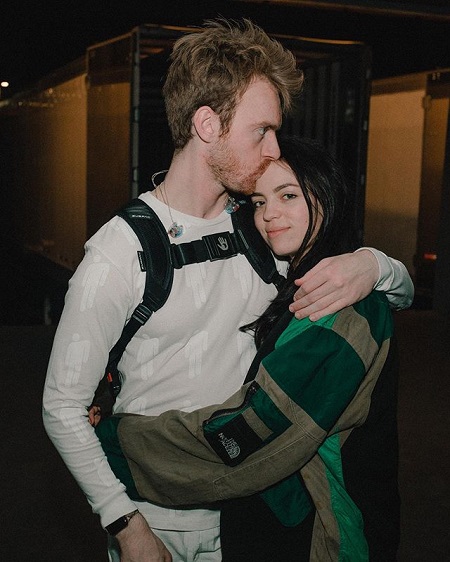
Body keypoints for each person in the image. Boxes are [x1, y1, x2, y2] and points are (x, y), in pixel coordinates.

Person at [43, 19, 412, 562]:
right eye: (261, 130)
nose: (274, 147)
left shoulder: (259, 226)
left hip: (252, 520)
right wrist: (125, 526)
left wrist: (373, 264)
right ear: (208, 124)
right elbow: (61, 407)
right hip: (157, 519)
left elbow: (395, 297)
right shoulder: (119, 253)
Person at [96, 136, 402, 561]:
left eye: (288, 195)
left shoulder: (337, 308)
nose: (269, 214)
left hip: (330, 535)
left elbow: (250, 436)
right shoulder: (297, 278)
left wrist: (111, 441)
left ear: (327, 195)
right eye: (258, 202)